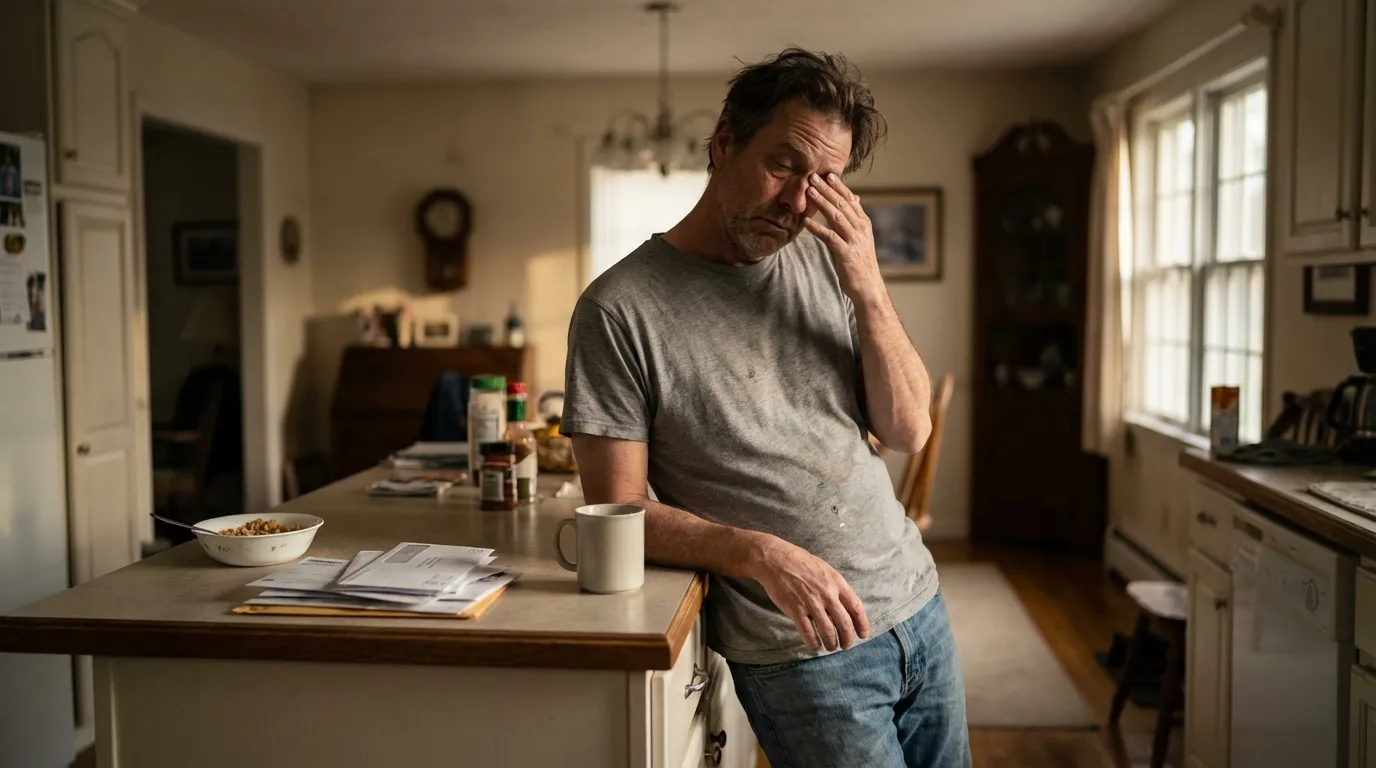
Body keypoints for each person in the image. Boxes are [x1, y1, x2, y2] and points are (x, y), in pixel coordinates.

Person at [562, 48, 969, 768]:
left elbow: (908, 429)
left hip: (919, 606)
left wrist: (870, 286)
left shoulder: (827, 260)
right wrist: (761, 553)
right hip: (803, 649)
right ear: (723, 144)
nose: (799, 202)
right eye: (783, 165)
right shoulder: (617, 310)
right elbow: (616, 515)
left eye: (826, 181)